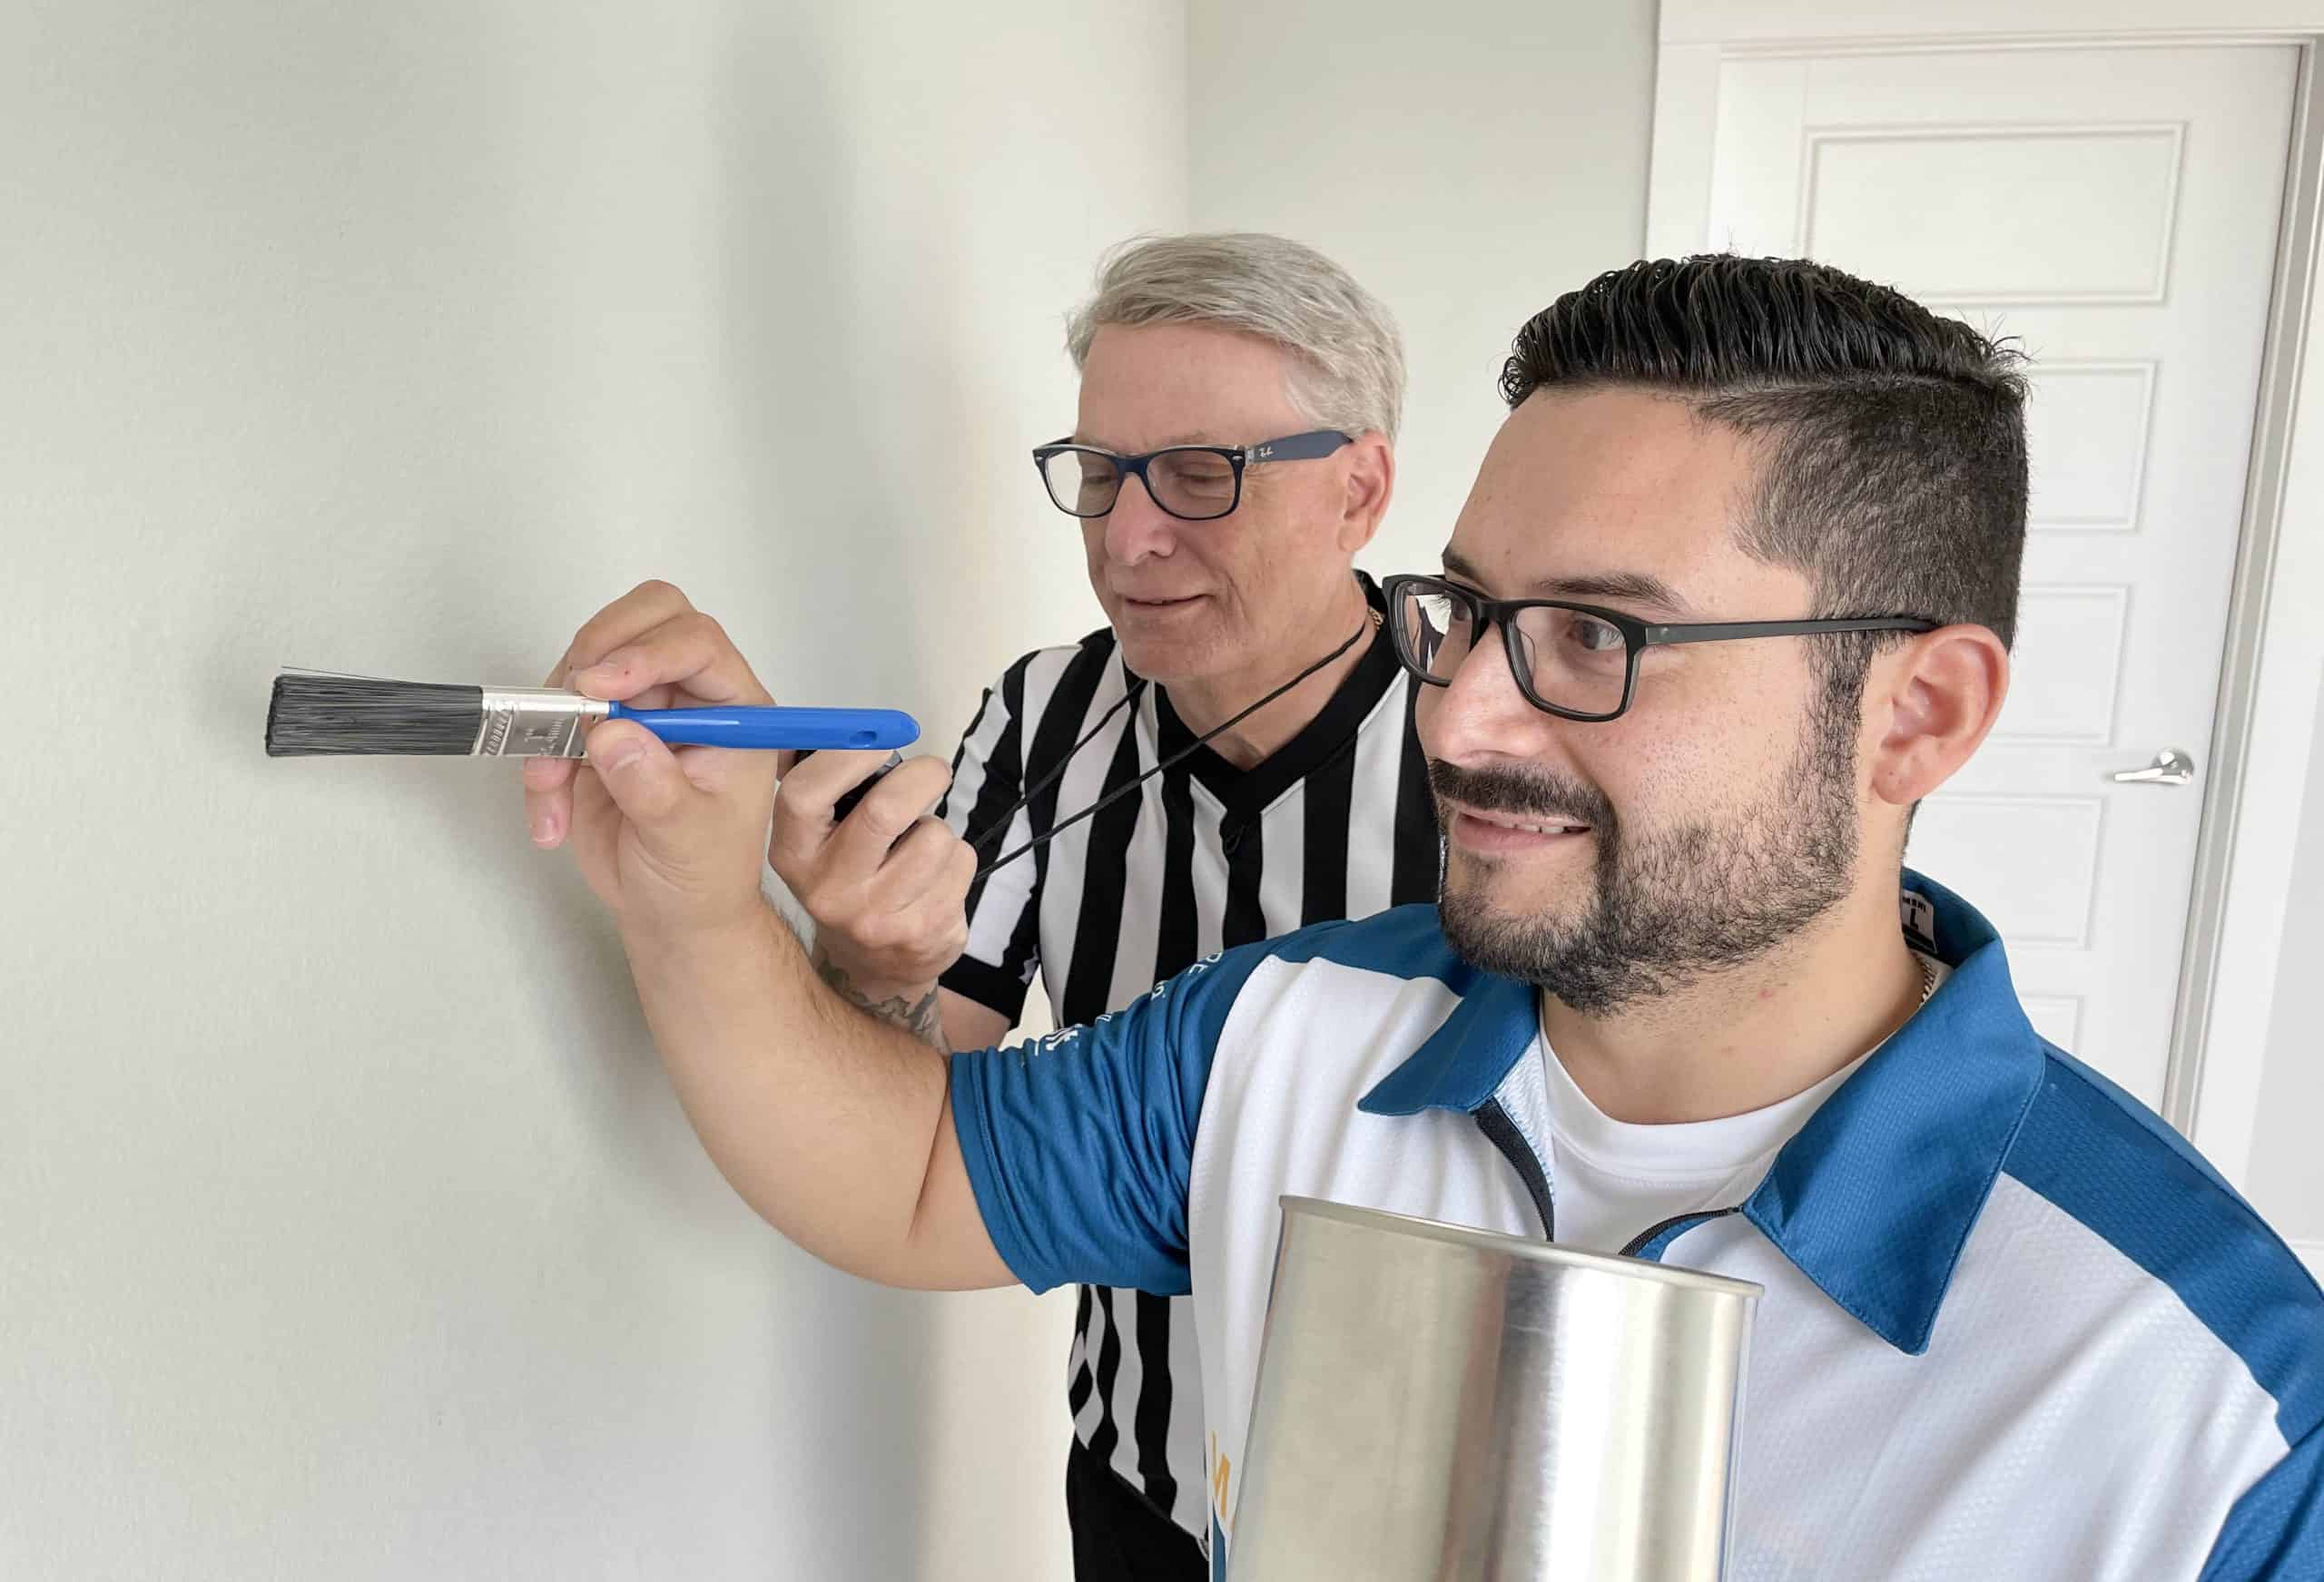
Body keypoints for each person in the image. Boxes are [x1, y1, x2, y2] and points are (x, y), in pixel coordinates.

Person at [524, 256, 2324, 1577]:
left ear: (1915, 714)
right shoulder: (1289, 1027)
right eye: (1467, 614)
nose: (1460, 720)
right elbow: (914, 1168)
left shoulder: (2209, 1410)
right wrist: (694, 901)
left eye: (1597, 636)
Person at [527, 232, 1442, 1579]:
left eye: (1202, 475)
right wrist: (866, 957)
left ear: (1359, 490)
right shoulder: (1044, 714)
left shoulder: (1494, 743)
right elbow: (904, 1123)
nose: (1129, 537)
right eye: (1101, 475)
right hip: (1139, 1481)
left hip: (1414, 1507)